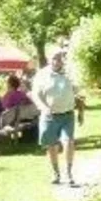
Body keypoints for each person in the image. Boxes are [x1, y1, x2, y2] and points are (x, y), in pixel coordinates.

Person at [29, 51, 85, 186]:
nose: (57, 61)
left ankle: (68, 172)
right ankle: (56, 173)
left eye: (60, 59)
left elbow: (80, 94)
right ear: (50, 60)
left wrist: (81, 112)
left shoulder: (69, 74)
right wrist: (43, 108)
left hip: (67, 114)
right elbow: (35, 95)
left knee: (69, 142)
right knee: (52, 145)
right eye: (54, 58)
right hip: (49, 115)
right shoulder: (42, 75)